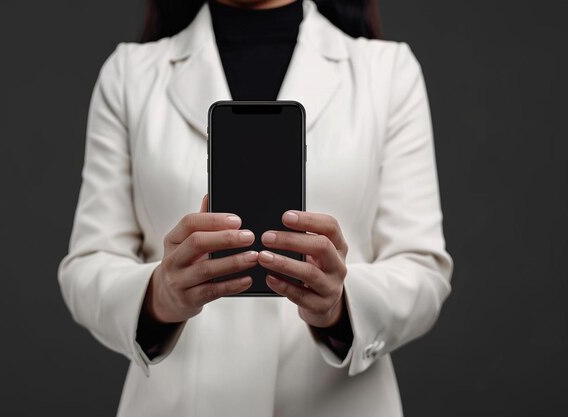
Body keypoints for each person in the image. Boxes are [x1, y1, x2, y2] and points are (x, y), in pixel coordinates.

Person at [57, 0, 454, 416]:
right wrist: (158, 296)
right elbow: (87, 264)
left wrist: (340, 306)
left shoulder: (387, 72)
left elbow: (422, 268)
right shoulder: (129, 75)